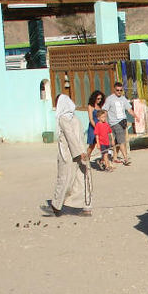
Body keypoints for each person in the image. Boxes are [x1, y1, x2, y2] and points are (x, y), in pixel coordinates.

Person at [47, 88, 91, 218]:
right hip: (79, 153)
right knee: (81, 180)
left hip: (68, 155)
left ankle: (56, 206)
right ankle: (85, 206)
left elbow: (71, 136)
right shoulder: (75, 118)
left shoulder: (63, 119)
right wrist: (82, 152)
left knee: (65, 179)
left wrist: (79, 152)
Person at [103, 81, 135, 165]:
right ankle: (125, 158)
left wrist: (136, 116)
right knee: (121, 141)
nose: (119, 92)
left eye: (121, 90)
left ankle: (114, 157)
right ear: (114, 90)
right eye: (117, 90)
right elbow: (105, 110)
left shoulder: (123, 99)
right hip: (114, 122)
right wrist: (104, 122)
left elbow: (129, 109)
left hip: (123, 121)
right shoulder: (110, 99)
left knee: (117, 141)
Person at [84, 90, 106, 162]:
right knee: (92, 145)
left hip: (100, 126)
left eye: (100, 99)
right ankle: (87, 158)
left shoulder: (100, 106)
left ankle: (103, 160)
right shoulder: (90, 106)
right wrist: (97, 128)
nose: (99, 100)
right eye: (98, 99)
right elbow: (91, 119)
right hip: (93, 127)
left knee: (102, 144)